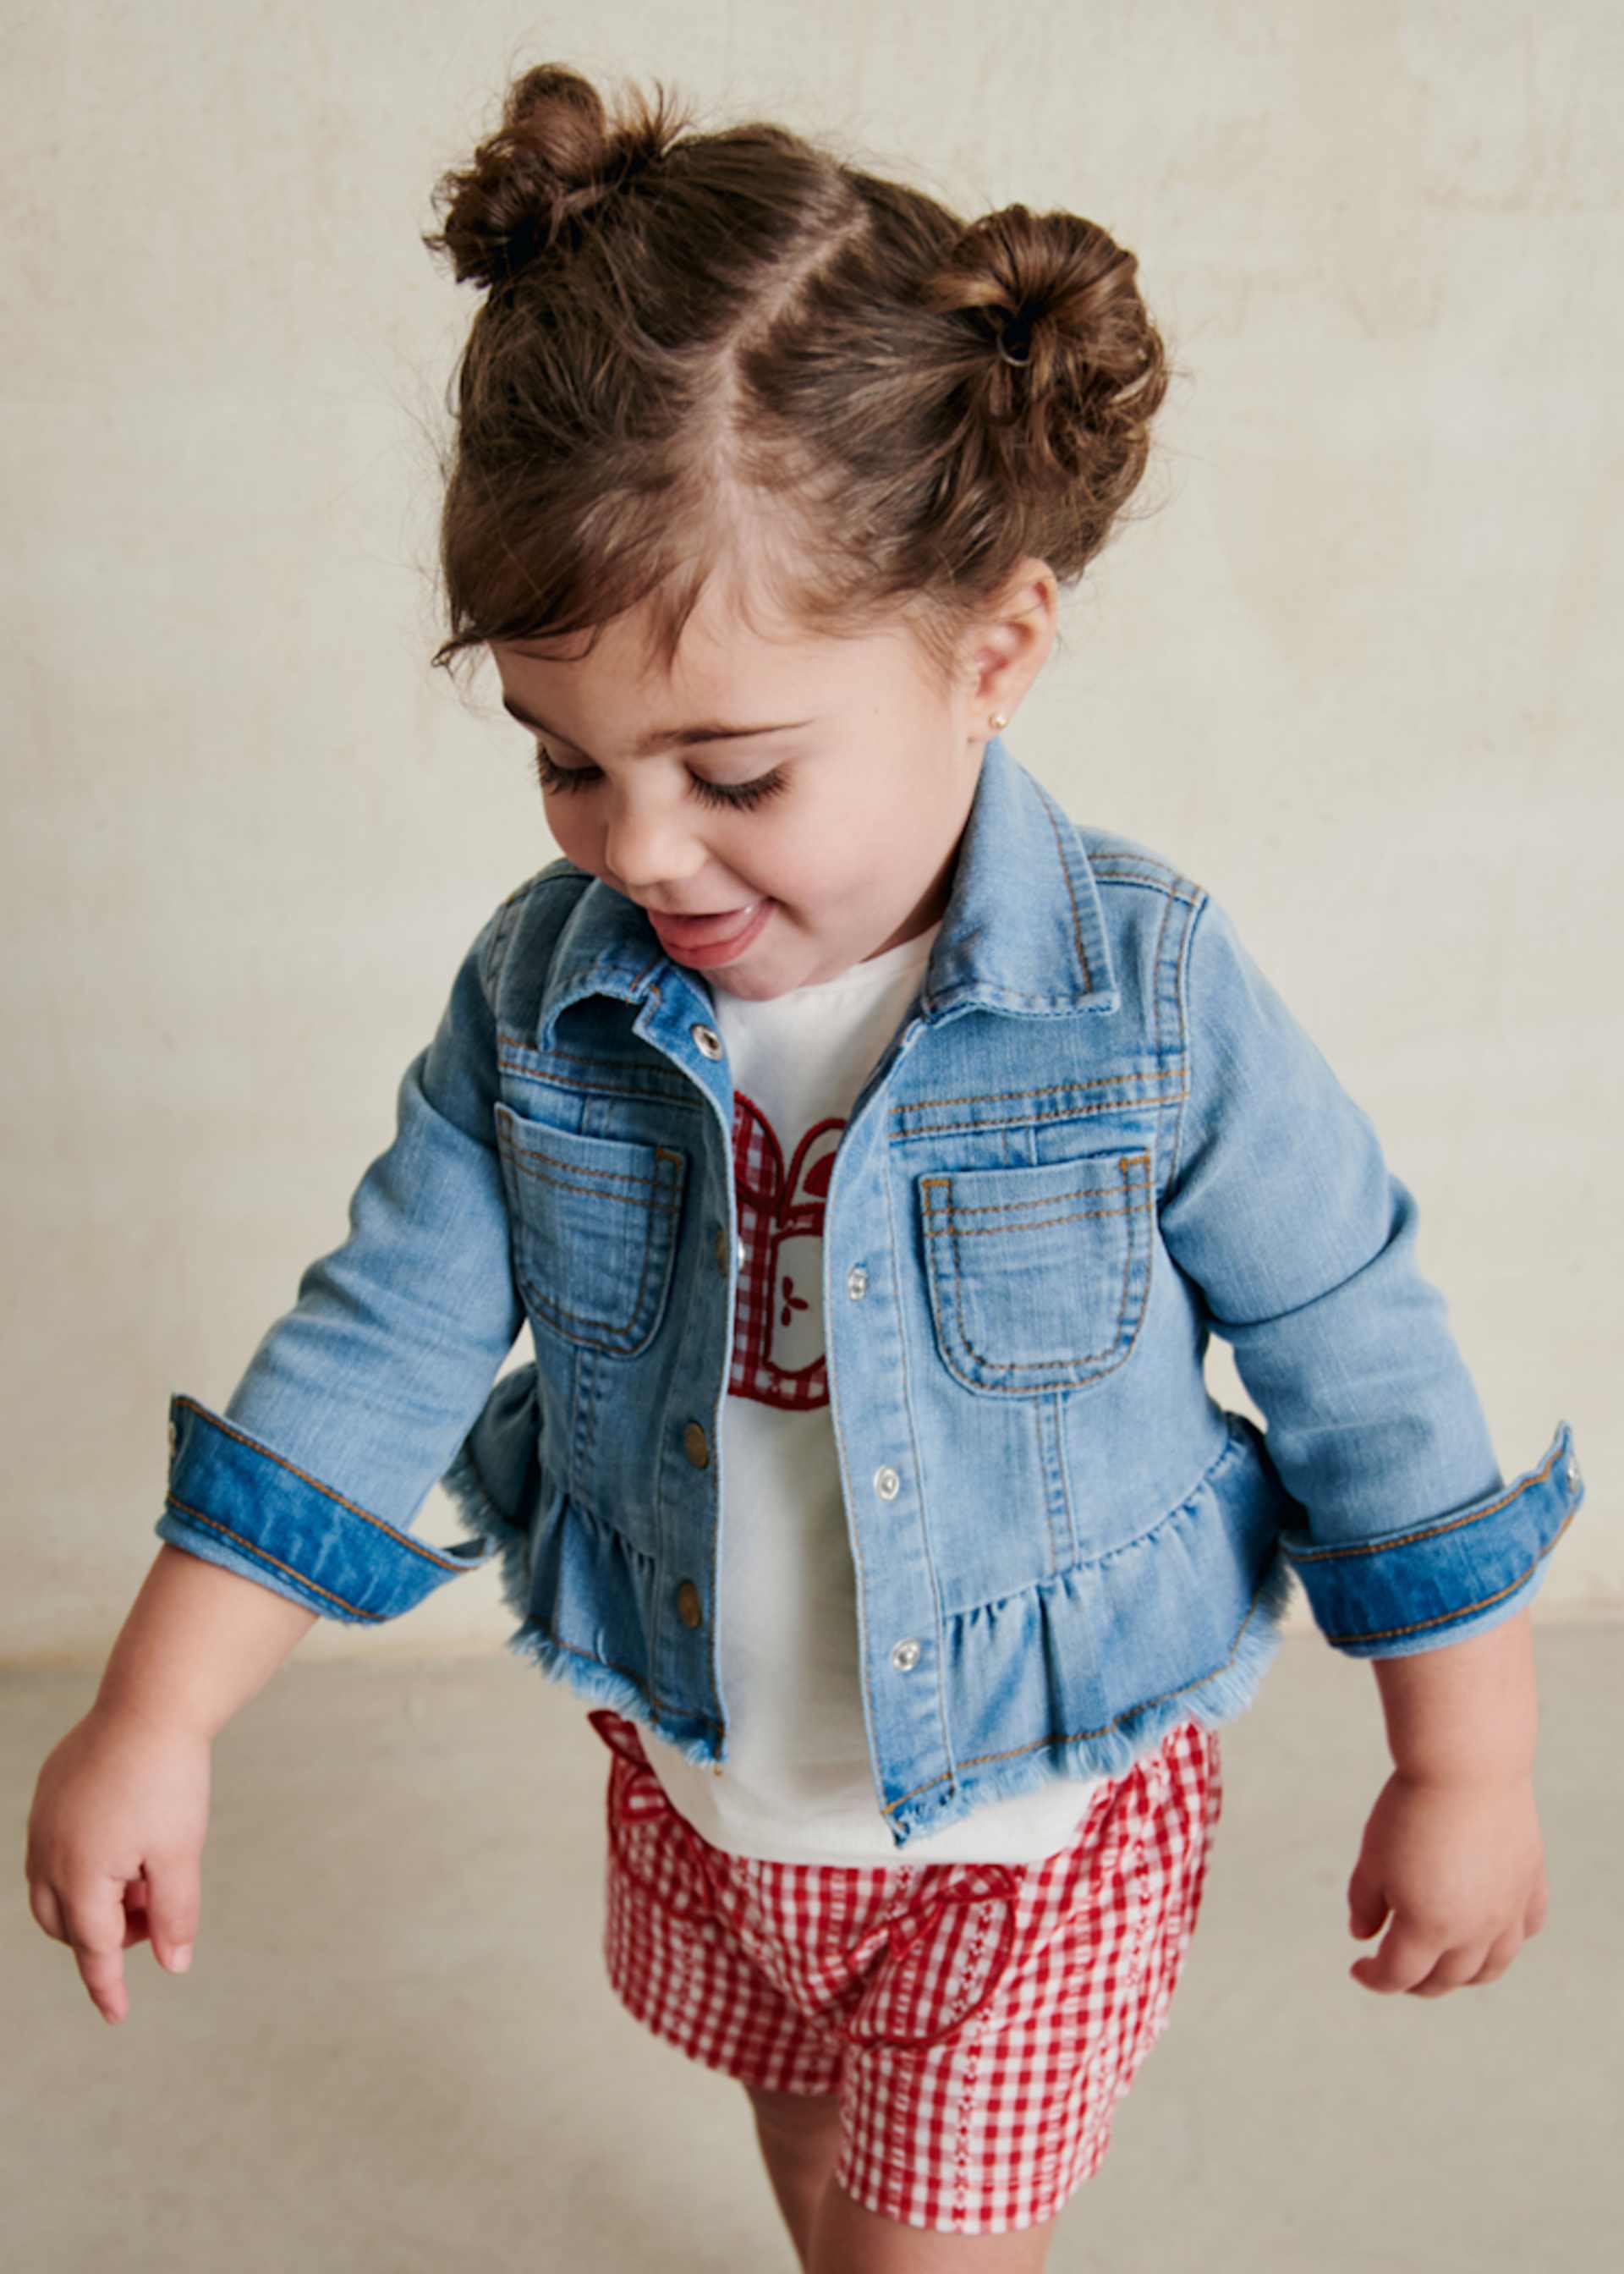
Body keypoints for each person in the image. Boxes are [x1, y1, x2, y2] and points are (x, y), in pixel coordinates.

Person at [25, 61, 1583, 2273]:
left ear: (997, 650)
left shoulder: (1140, 1001)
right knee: (817, 2164)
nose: (641, 850)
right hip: (707, 1779)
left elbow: (1368, 1365)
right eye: (570, 762)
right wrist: (155, 1710)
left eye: (736, 772)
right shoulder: (542, 997)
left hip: (1028, 1833)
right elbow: (376, 1336)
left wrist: (1472, 1762)